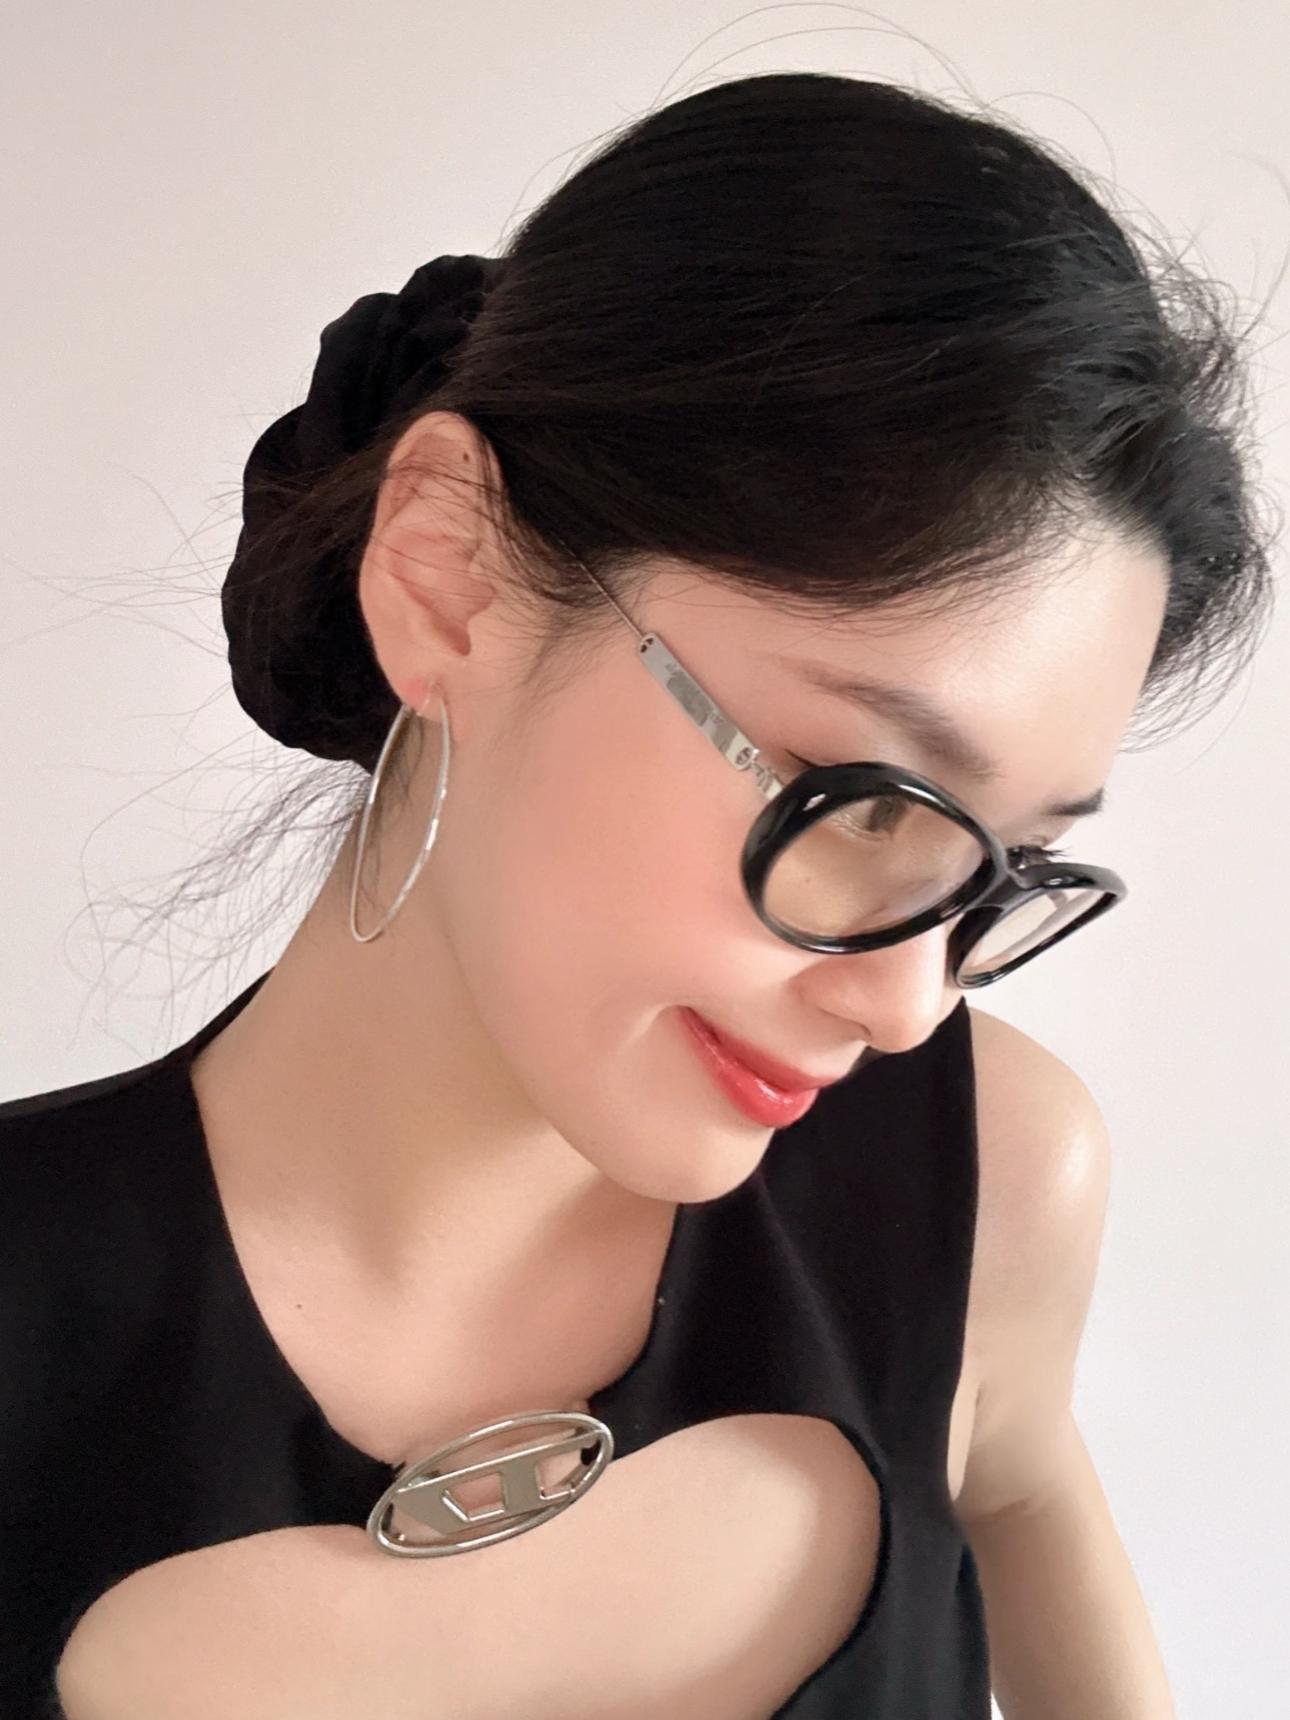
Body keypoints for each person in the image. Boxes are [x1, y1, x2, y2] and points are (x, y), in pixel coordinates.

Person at [1, 70, 1272, 1720]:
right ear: (446, 576)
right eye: (858, 802)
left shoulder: (985, 1186)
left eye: (998, 867)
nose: (907, 1005)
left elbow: (1026, 1501)